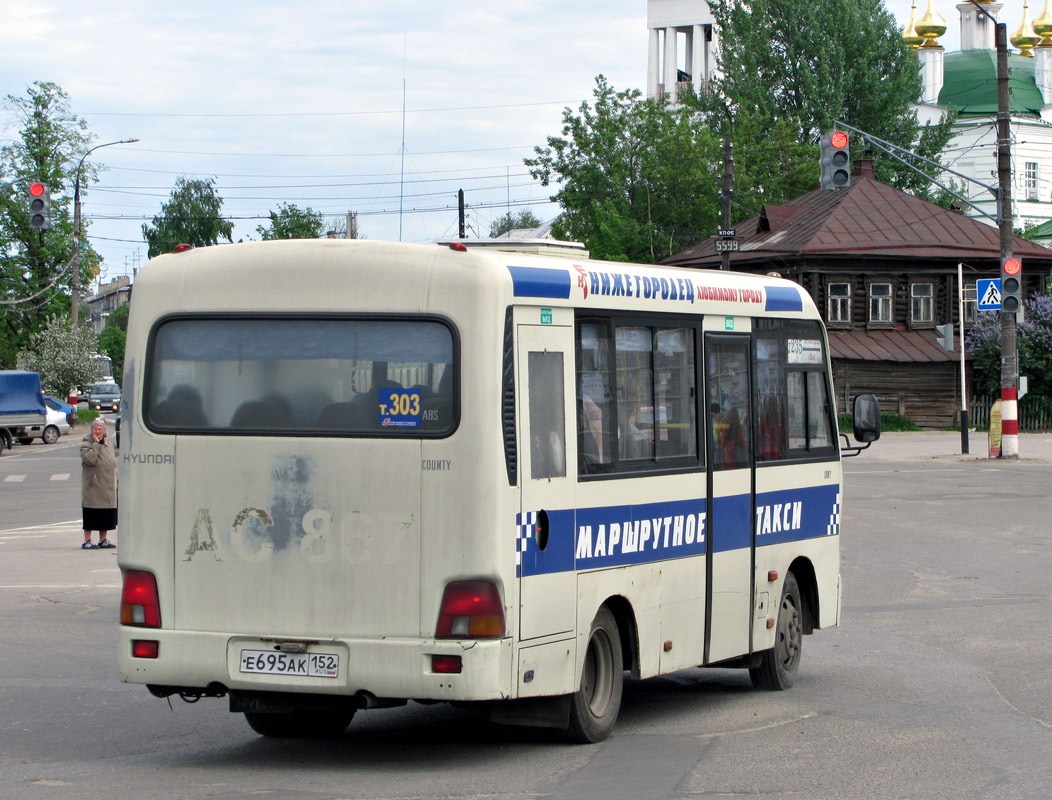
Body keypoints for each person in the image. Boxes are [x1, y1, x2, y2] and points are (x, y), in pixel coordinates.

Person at [80, 418, 117, 549]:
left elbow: (113, 462)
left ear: (104, 431)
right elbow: (90, 459)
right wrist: (96, 444)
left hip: (107, 486)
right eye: (95, 429)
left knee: (106, 515)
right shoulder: (86, 444)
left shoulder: (109, 444)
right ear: (91, 431)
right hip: (93, 487)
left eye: (100, 429)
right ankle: (87, 540)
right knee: (91, 514)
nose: (98, 431)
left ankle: (103, 539)